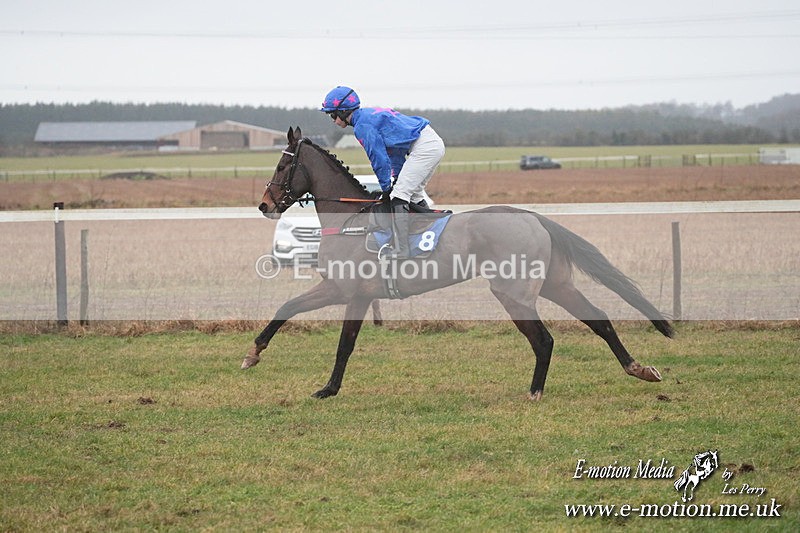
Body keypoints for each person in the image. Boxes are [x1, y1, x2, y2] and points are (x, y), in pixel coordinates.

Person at [321, 86, 445, 259]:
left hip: (425, 147)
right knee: (413, 195)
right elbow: (394, 152)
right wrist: (394, 178)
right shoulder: (366, 116)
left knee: (399, 195)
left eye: (332, 114)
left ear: (343, 111)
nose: (333, 119)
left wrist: (387, 187)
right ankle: (427, 235)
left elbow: (378, 157)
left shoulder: (362, 125)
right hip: (429, 143)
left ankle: (402, 250)